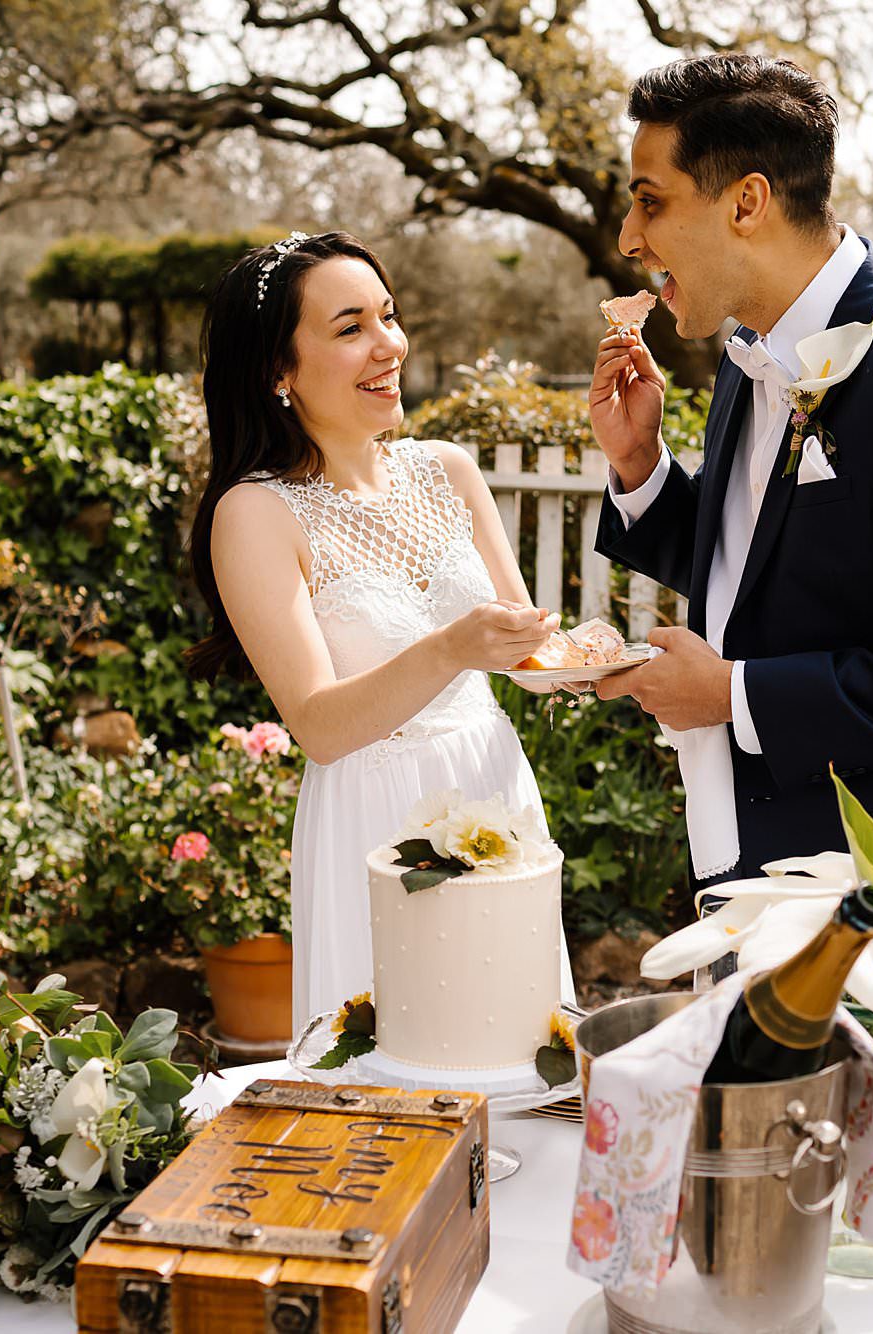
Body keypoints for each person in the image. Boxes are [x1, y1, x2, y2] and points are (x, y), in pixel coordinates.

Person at [586, 54, 873, 1290]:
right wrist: (642, 473)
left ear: (744, 201)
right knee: (784, 1208)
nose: (627, 235)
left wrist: (731, 698)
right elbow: (767, 566)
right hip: (770, 858)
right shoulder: (753, 353)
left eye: (647, 199)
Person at [184, 230, 569, 1020]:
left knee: (523, 1043)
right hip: (376, 821)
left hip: (494, 783)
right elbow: (320, 727)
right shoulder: (255, 513)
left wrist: (612, 669)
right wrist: (451, 648)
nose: (387, 345)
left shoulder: (450, 471)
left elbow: (532, 651)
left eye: (388, 316)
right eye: (350, 327)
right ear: (277, 371)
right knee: (402, 1062)